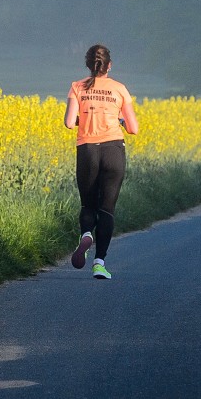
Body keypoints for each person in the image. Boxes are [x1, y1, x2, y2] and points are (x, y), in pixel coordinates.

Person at [65, 44, 138, 279]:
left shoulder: (77, 87)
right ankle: (99, 263)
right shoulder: (120, 89)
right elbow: (134, 128)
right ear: (109, 65)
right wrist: (120, 122)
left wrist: (83, 120)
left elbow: (68, 122)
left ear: (88, 65)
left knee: (88, 205)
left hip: (87, 150)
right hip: (113, 150)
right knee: (107, 209)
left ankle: (86, 234)